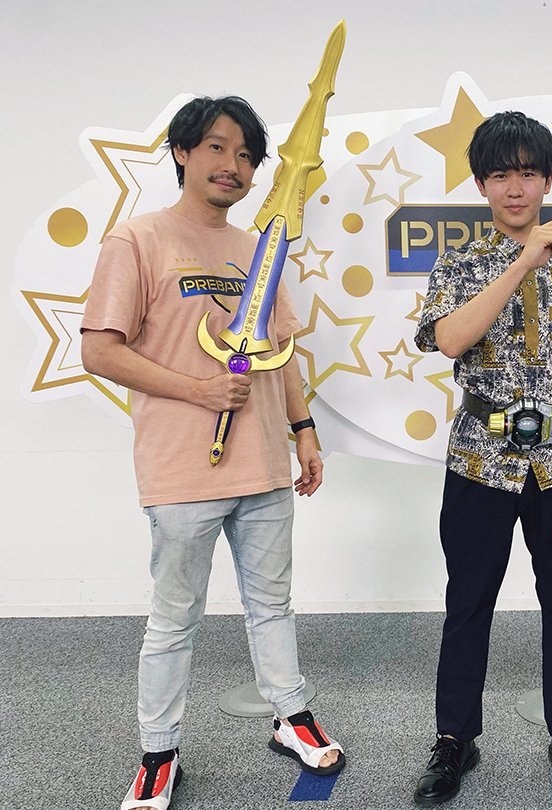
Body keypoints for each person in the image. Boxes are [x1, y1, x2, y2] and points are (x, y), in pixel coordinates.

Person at [81, 95, 345, 810]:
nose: (234, 165)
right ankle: (158, 752)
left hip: (262, 464)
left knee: (272, 605)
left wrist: (303, 429)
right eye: (219, 148)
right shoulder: (137, 240)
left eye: (247, 156)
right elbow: (100, 350)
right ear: (182, 152)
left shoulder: (259, 249)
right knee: (174, 621)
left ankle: (290, 716)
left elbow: (280, 351)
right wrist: (197, 391)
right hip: (180, 472)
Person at [411, 110, 552, 806]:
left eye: (528, 173)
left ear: (547, 180)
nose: (515, 187)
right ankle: (455, 739)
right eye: (500, 174)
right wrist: (522, 262)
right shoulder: (460, 263)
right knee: (467, 602)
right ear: (481, 184)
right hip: (480, 460)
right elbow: (449, 340)